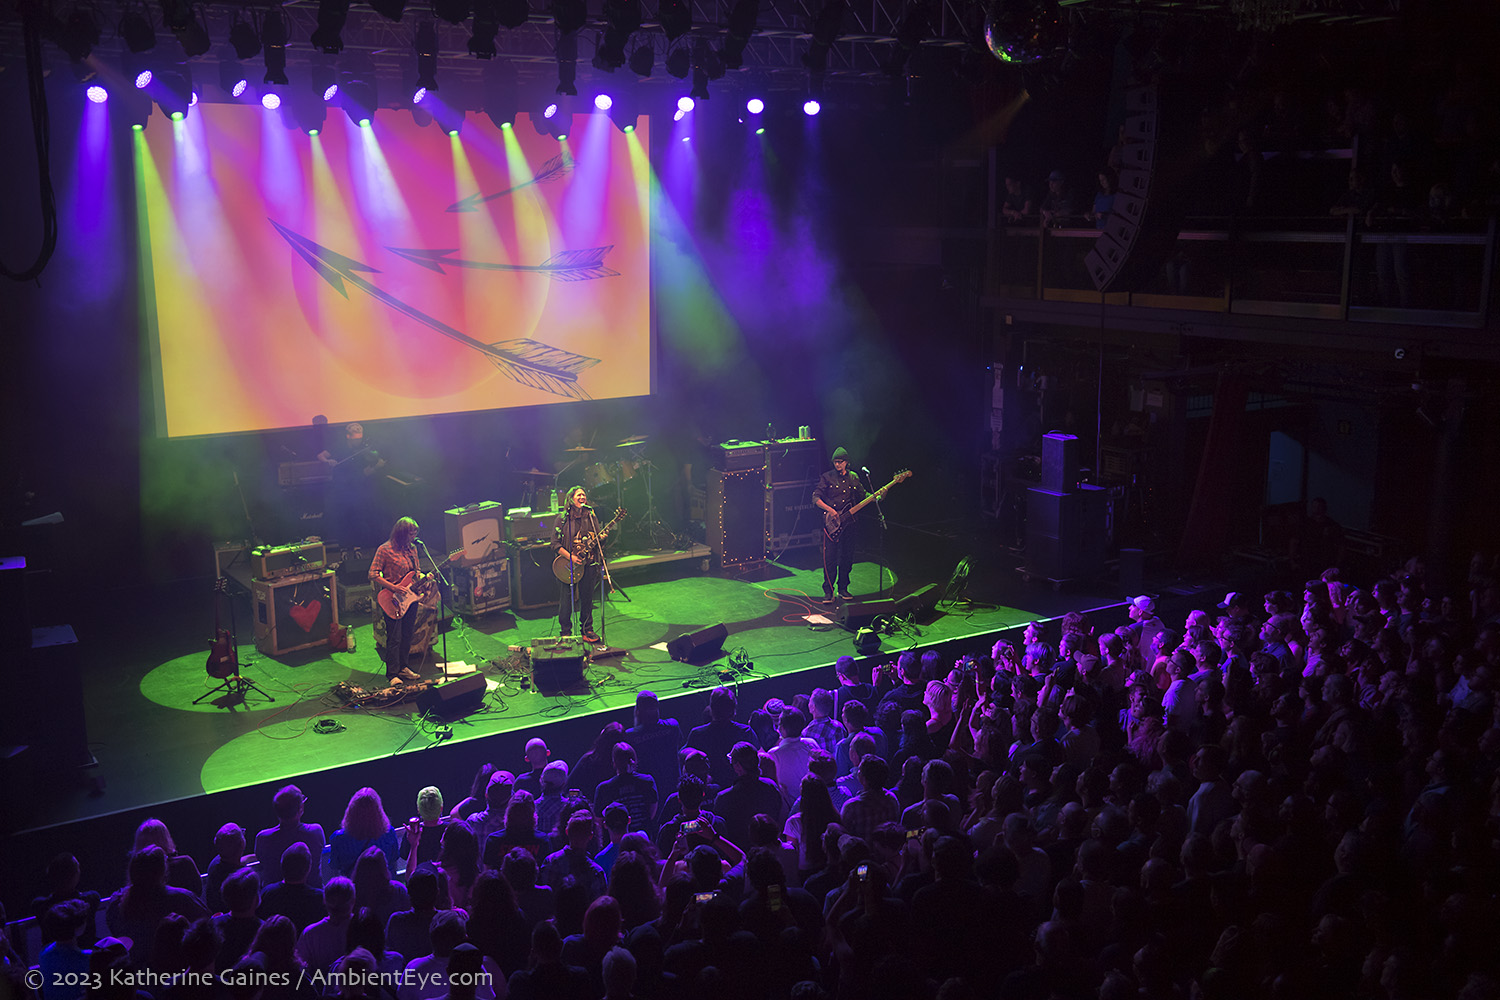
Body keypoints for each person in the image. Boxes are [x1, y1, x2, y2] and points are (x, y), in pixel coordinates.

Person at [369, 516, 425, 684]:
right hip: (392, 599)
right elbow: (373, 573)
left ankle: (403, 667)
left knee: (408, 634)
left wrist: (422, 581)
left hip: (410, 598)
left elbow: (416, 571)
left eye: (415, 533)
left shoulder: (412, 549)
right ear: (401, 533)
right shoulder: (385, 550)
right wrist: (393, 587)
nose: (413, 537)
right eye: (410, 533)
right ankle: (392, 674)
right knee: (395, 637)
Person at [812, 446, 867, 603]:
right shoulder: (827, 477)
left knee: (847, 557)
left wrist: (878, 495)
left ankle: (843, 588)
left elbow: (863, 496)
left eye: (840, 462)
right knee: (829, 558)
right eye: (835, 462)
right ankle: (828, 592)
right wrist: (830, 510)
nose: (837, 465)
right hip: (832, 524)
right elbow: (816, 498)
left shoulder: (854, 478)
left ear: (846, 462)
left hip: (849, 524)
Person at [555, 486, 604, 643]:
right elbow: (554, 544)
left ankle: (587, 629)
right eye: (579, 495)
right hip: (568, 565)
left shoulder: (590, 516)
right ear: (570, 499)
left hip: (588, 563)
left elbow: (596, 538)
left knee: (587, 598)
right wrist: (570, 558)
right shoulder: (562, 519)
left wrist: (601, 537)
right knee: (566, 599)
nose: (582, 497)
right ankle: (565, 632)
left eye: (584, 494)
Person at [256, 785, 327, 888]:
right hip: (314, 896)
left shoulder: (263, 838)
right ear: (301, 808)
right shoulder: (315, 831)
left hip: (275, 898)